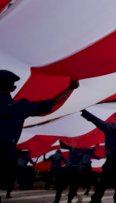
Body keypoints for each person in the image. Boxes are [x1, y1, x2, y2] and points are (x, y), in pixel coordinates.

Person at [0, 70, 78, 200]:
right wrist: (70, 88)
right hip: (5, 154)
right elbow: (51, 103)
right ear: (13, 88)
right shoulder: (19, 107)